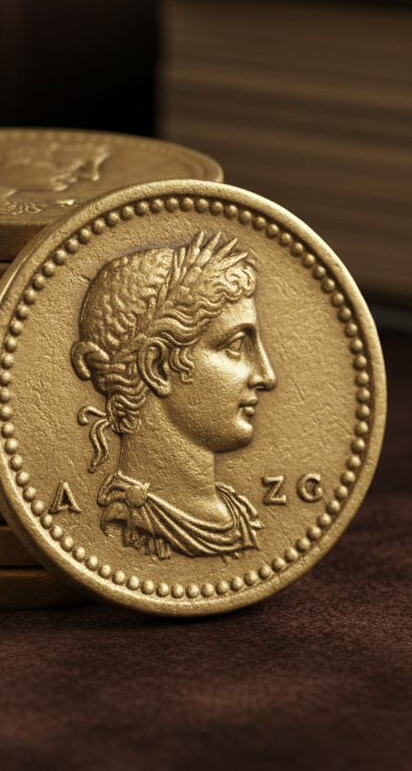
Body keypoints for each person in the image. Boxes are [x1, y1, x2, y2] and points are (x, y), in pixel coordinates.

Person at [71, 231, 277, 560]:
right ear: (156, 366)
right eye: (236, 345)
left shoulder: (240, 513)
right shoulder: (126, 525)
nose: (267, 376)